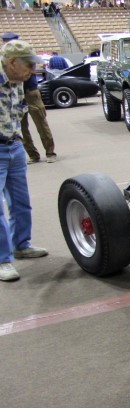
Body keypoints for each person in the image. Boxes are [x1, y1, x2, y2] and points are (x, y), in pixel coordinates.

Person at [0, 40, 49, 281]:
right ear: (12, 62)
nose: (33, 70)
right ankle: (2, 260)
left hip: (14, 146)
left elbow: (18, 111)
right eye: (29, 65)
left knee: (20, 202)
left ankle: (21, 244)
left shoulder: (18, 81)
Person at [2, 33, 57, 164]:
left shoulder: (24, 54)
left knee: (41, 123)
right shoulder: (7, 60)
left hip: (30, 92)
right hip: (14, 93)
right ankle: (33, 155)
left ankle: (50, 152)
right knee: (21, 127)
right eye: (5, 40)